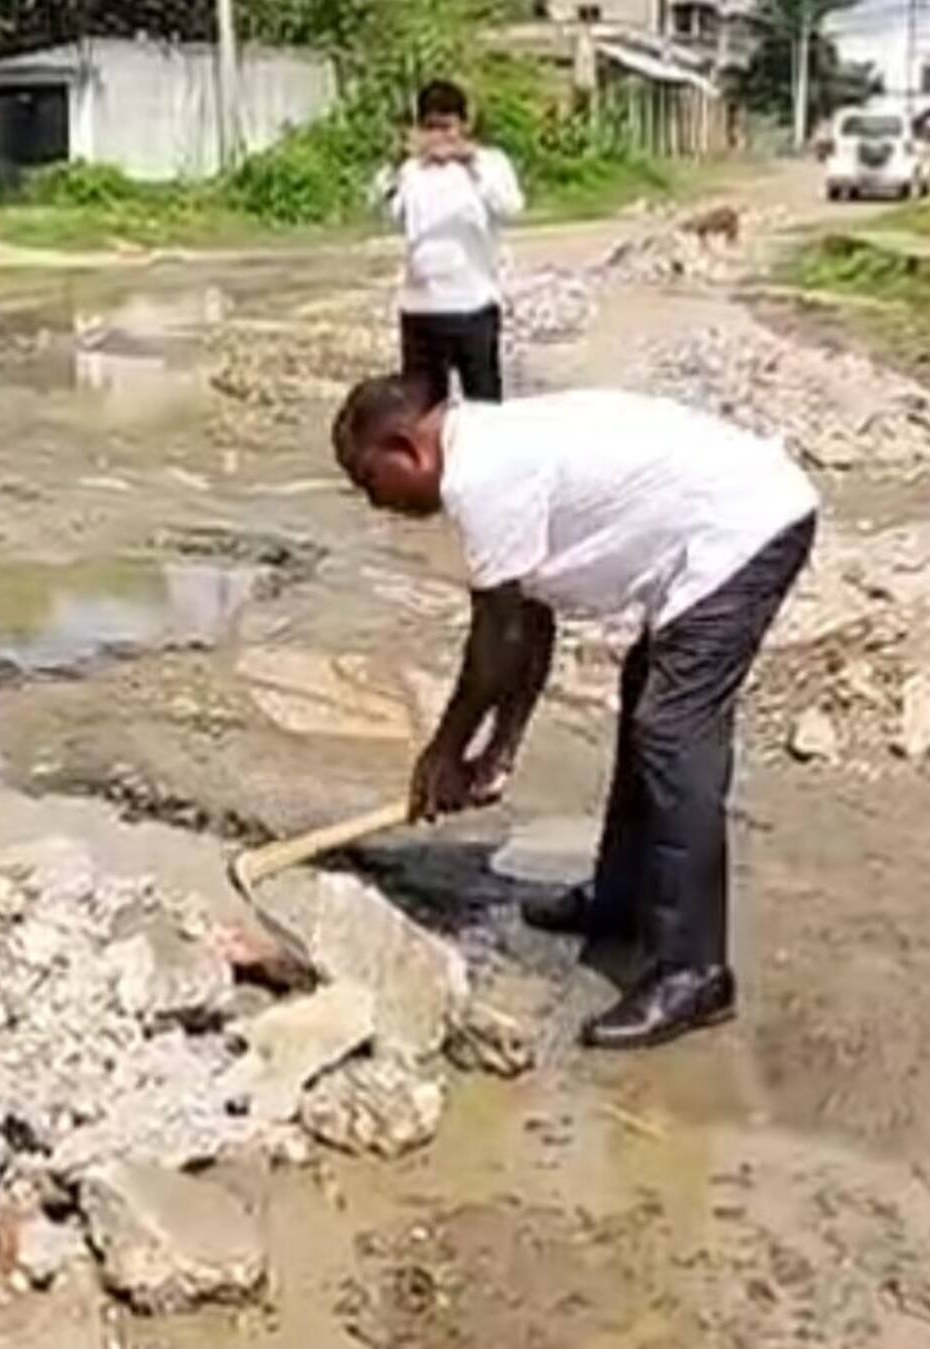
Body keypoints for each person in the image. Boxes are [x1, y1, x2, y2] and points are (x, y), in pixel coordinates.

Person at [331, 375, 819, 1051]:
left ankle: (695, 970)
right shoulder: (487, 450)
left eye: (367, 478)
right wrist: (500, 750)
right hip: (719, 529)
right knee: (649, 697)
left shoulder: (479, 474)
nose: (372, 500)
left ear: (405, 447)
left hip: (746, 526)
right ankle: (623, 903)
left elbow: (494, 644)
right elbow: (530, 628)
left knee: (673, 732)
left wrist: (443, 751)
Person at [376, 79, 524, 403]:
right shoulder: (410, 171)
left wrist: (470, 162)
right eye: (431, 127)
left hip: (473, 306)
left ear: (464, 126)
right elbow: (384, 212)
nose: (440, 136)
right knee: (422, 412)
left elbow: (510, 207)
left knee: (484, 409)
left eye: (447, 126)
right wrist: (397, 161)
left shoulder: (490, 162)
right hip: (420, 309)